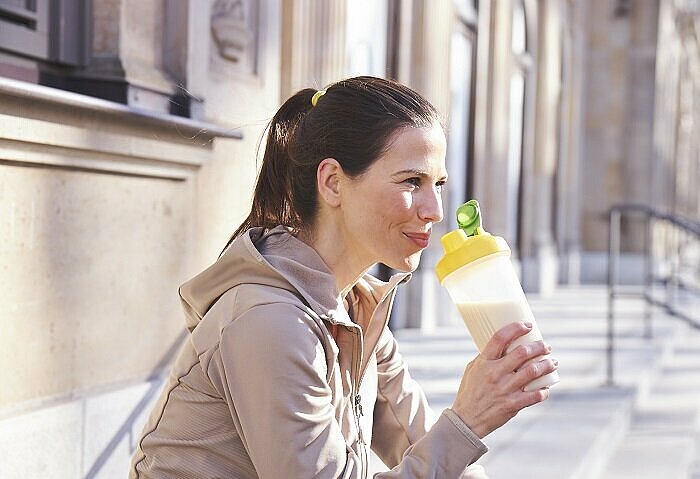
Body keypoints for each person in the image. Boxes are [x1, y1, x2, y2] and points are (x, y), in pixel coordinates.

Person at [129, 76, 557, 478]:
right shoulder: (270, 321)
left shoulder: (355, 307)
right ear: (333, 182)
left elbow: (421, 442)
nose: (435, 210)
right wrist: (467, 420)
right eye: (412, 181)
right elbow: (444, 444)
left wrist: (477, 419)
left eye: (438, 184)